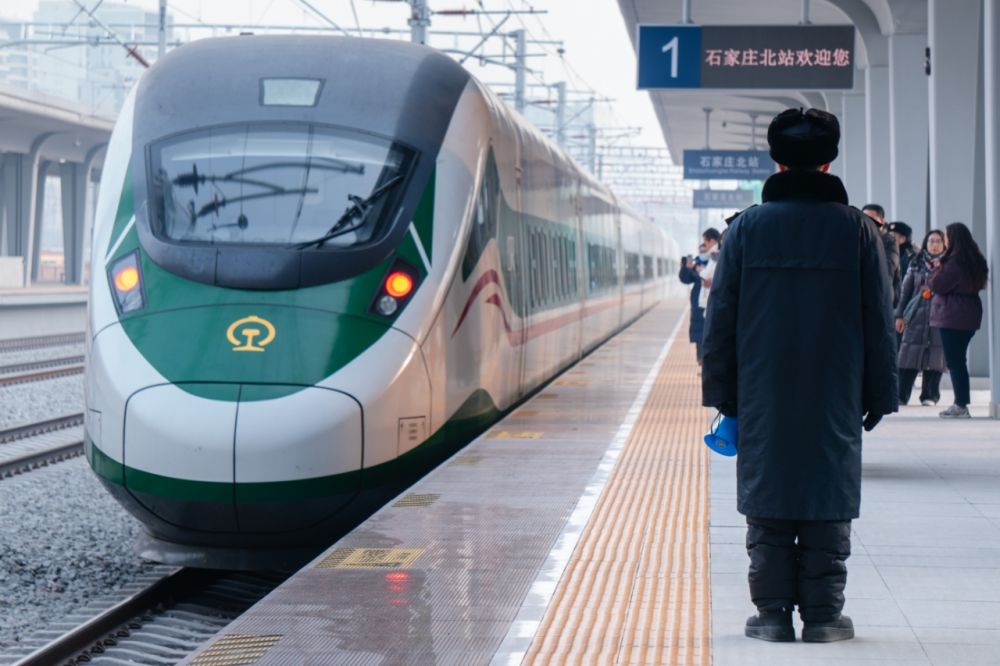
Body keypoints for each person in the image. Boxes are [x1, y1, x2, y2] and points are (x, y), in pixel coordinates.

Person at [702, 108, 897, 644]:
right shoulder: (859, 231)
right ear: (828, 163)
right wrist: (880, 394)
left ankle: (770, 616)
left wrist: (724, 396)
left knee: (768, 498)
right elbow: (879, 320)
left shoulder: (745, 229)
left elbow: (720, 321)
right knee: (826, 496)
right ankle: (823, 617)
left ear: (778, 163)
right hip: (836, 391)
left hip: (761, 392)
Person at [930, 222, 989, 418]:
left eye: (946, 237)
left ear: (953, 239)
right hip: (969, 314)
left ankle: (960, 405)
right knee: (958, 361)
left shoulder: (954, 263)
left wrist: (936, 269)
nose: (945, 241)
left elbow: (937, 286)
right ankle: (960, 403)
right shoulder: (975, 260)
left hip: (953, 316)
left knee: (955, 362)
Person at [896, 230, 947, 406]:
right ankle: (901, 395)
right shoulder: (916, 264)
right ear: (926, 244)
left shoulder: (948, 266)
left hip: (940, 318)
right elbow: (905, 292)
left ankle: (930, 395)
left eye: (938, 241)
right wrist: (899, 315)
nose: (934, 245)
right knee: (908, 355)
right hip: (916, 317)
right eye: (931, 241)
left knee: (936, 356)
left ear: (944, 245)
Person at [862, 203, 901, 306]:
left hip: (882, 297)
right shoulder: (861, 240)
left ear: (882, 221)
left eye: (872, 219)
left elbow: (887, 269)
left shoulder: (889, 242)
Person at [679, 249, 706, 363]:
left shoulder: (716, 262)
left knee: (708, 334)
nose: (702, 252)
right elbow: (685, 279)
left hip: (710, 302)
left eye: (704, 249)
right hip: (698, 305)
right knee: (699, 333)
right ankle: (701, 359)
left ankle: (705, 360)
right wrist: (686, 267)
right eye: (701, 251)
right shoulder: (697, 265)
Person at [697, 228, 722, 311]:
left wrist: (701, 271)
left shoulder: (715, 254)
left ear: (711, 241)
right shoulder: (715, 253)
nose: (705, 245)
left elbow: (708, 275)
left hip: (714, 301)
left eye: (705, 242)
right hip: (713, 300)